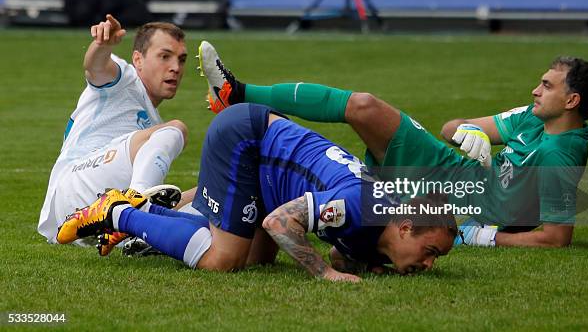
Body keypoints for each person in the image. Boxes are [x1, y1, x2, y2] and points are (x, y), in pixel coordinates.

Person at [196, 41, 588, 248]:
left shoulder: (561, 154)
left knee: (293, 186)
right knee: (363, 105)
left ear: (571, 101)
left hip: (453, 202)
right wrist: (471, 133)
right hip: (456, 171)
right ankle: (237, 92)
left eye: (547, 86)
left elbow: (556, 238)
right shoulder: (535, 117)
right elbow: (452, 127)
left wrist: (486, 237)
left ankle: (171, 214)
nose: (536, 90)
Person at [56, 103, 457, 282]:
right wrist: (326, 273)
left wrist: (363, 263)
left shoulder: (377, 222)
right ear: (405, 227)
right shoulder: (361, 205)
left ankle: (144, 212)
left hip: (269, 167)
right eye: (431, 252)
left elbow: (340, 247)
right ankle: (117, 213)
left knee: (256, 258)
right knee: (223, 260)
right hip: (246, 138)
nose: (429, 265)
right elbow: (280, 223)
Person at [38, 14, 189, 246]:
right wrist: (101, 46)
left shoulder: (153, 123)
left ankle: (135, 230)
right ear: (138, 59)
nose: (175, 67)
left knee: (208, 194)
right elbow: (95, 67)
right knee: (176, 129)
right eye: (164, 57)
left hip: (97, 206)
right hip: (76, 185)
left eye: (181, 59)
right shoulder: (125, 77)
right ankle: (137, 209)